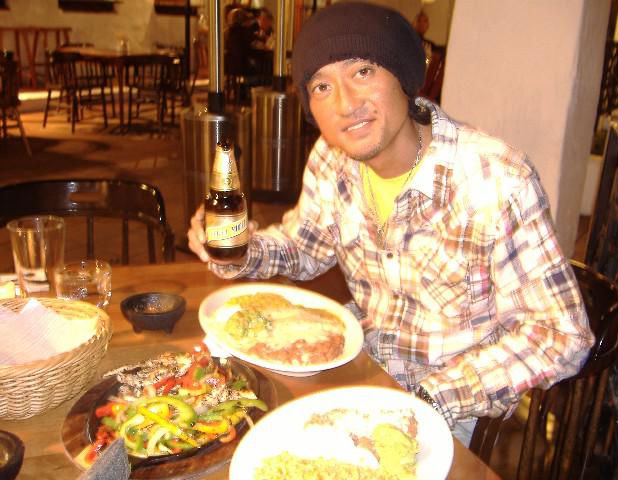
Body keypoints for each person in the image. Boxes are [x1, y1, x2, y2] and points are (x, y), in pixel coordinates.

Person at [188, 2, 594, 445]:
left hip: (450, 407)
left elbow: (561, 335)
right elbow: (303, 248)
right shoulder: (331, 159)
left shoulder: (496, 180)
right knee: (219, 412)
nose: (346, 104)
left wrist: (430, 398)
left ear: (403, 75)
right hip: (356, 364)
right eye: (322, 86)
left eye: (363, 72)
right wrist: (239, 249)